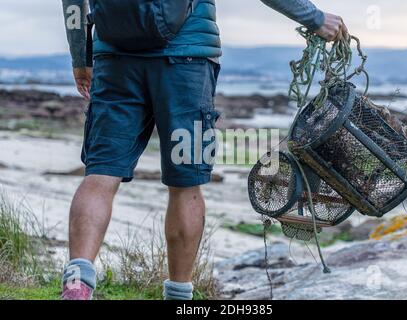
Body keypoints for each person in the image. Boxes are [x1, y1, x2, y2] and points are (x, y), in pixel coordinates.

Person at [61, 0, 348, 300]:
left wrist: (80, 56)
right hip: (187, 60)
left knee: (101, 175)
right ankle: (179, 297)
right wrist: (314, 18)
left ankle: (78, 285)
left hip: (115, 59)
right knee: (186, 185)